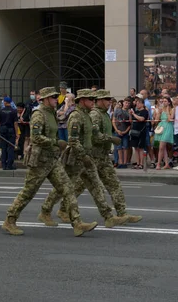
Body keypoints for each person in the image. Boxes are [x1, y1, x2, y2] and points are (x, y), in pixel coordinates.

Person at [2, 87, 97, 236]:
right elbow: (36, 137)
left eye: (55, 96)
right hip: (39, 160)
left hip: (52, 160)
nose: (55, 99)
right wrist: (55, 142)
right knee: (28, 192)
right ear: (45, 99)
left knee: (67, 188)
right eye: (53, 97)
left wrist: (56, 143)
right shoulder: (39, 114)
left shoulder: (51, 112)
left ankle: (77, 224)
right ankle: (10, 220)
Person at [40, 89, 129, 228]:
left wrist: (109, 139)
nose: (93, 102)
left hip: (87, 157)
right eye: (90, 99)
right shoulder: (76, 116)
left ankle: (108, 217)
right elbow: (73, 140)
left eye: (94, 99)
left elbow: (94, 134)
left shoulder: (87, 115)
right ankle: (46, 210)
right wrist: (84, 156)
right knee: (63, 187)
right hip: (76, 158)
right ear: (82, 100)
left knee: (96, 187)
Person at [0, 96, 19, 170]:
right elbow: (15, 123)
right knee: (10, 147)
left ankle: (3, 164)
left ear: (5, 102)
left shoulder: (1, 111)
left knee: (3, 147)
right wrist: (17, 133)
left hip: (3, 130)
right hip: (10, 130)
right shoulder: (14, 111)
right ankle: (9, 165)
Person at [153, 96, 174, 169]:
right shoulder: (161, 109)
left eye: (165, 101)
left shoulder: (172, 109)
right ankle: (166, 164)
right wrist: (159, 113)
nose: (163, 102)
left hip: (168, 127)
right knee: (163, 147)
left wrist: (167, 110)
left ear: (169, 102)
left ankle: (158, 164)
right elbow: (156, 120)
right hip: (161, 126)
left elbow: (169, 119)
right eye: (163, 101)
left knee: (161, 147)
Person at [130, 97, 149, 169]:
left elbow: (141, 119)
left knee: (140, 148)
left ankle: (141, 163)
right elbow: (131, 120)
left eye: (138, 103)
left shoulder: (145, 111)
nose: (137, 105)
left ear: (142, 104)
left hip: (141, 131)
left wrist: (134, 114)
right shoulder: (135, 111)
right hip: (134, 131)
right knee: (136, 148)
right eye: (136, 103)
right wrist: (130, 114)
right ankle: (137, 163)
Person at [112, 98, 131, 168]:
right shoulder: (117, 110)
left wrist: (125, 131)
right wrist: (117, 130)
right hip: (118, 131)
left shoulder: (129, 112)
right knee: (119, 148)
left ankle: (125, 163)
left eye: (128, 103)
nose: (127, 104)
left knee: (125, 147)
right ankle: (120, 162)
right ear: (123, 103)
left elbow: (130, 124)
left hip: (125, 131)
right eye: (126, 103)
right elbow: (113, 121)